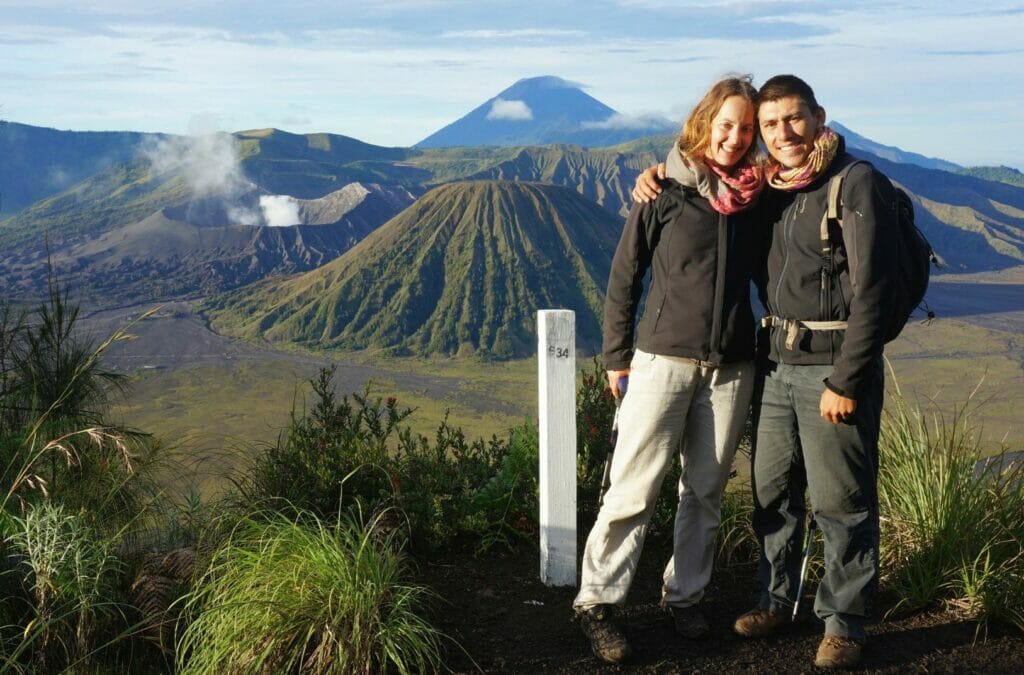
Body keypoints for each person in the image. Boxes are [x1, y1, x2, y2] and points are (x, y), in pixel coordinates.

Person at [633, 74, 898, 670]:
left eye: (794, 119)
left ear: (819, 116)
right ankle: (776, 601)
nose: (783, 133)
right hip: (775, 363)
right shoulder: (770, 187)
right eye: (771, 124)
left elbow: (874, 291)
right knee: (773, 492)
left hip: (832, 366)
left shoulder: (854, 184)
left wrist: (848, 380)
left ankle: (844, 623)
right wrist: (657, 175)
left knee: (841, 499)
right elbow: (707, 189)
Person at [574, 75, 765, 664]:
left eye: (746, 128)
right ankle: (596, 603)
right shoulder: (664, 193)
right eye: (726, 123)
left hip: (731, 367)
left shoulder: (760, 198)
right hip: (660, 362)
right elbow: (624, 278)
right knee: (633, 486)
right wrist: (615, 357)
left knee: (704, 492)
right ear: (705, 121)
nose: (734, 137)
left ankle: (684, 596)